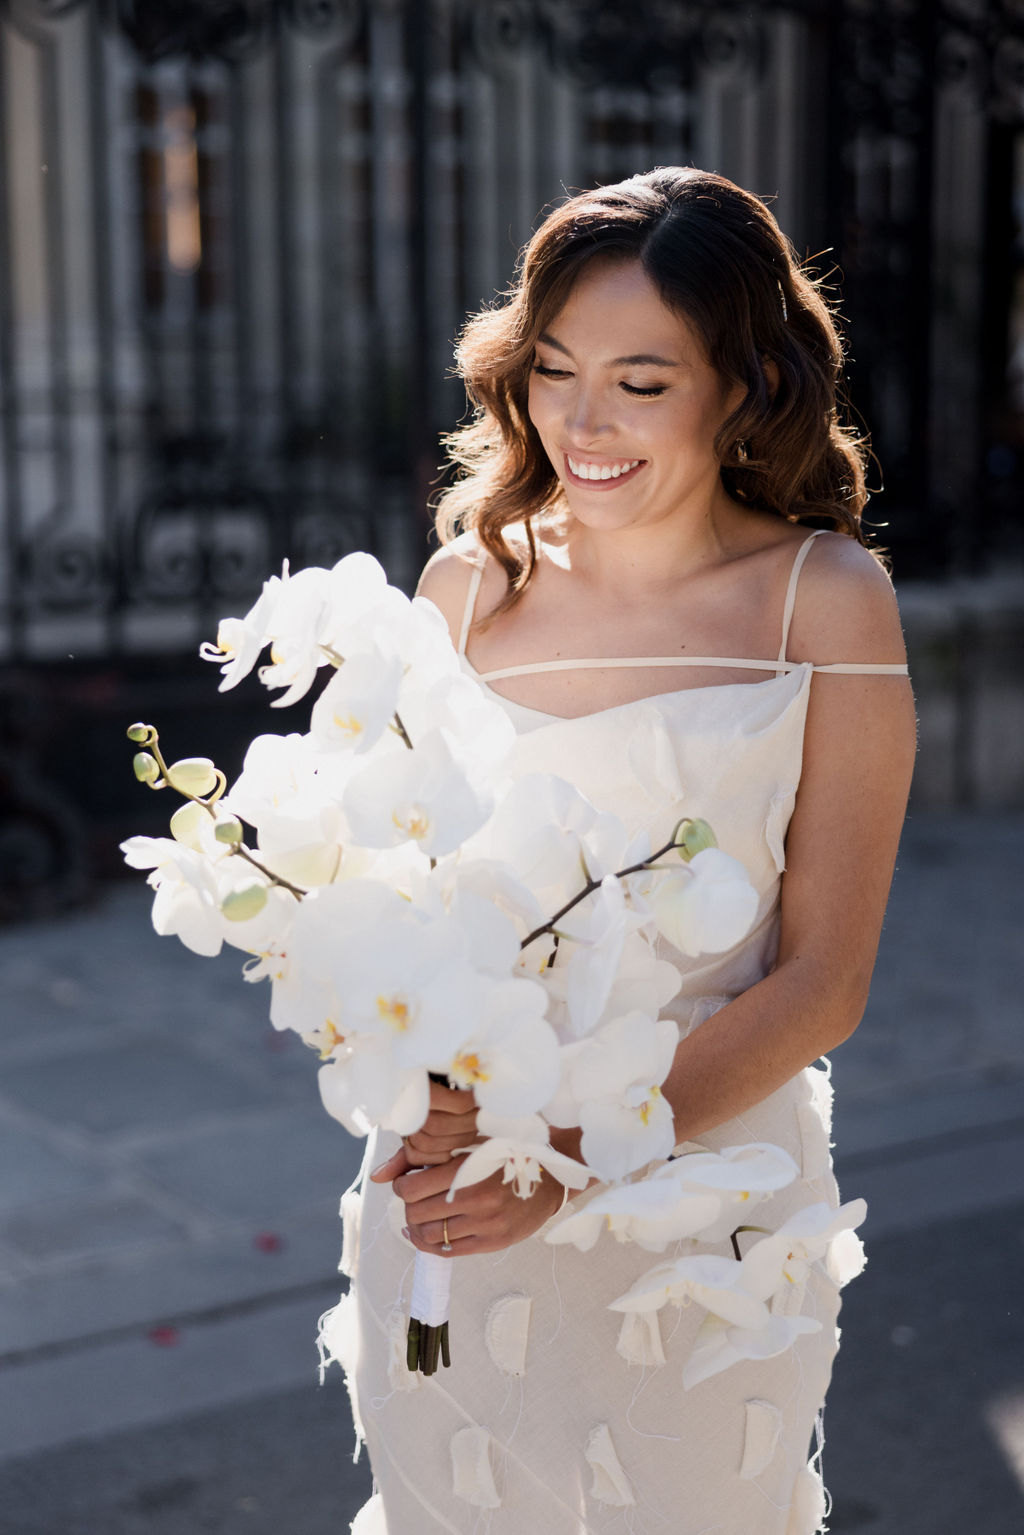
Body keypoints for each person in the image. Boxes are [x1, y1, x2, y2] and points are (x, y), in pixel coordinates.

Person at [345, 167, 917, 1534]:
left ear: (744, 384)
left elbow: (826, 979)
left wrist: (571, 1154)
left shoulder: (825, 600)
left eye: (642, 382)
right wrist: (399, 1061)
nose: (583, 423)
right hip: (459, 1205)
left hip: (700, 1213)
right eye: (551, 371)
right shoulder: (464, 588)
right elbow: (392, 915)